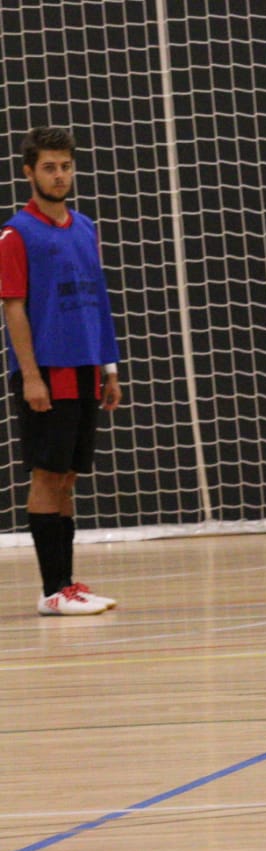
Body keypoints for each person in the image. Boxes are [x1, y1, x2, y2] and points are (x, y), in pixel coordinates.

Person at [3, 127, 122, 617]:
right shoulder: (15, 233)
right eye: (50, 167)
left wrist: (109, 368)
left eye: (66, 166)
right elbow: (13, 308)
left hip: (86, 368)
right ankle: (53, 589)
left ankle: (68, 584)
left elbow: (99, 302)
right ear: (30, 172)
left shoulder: (85, 227)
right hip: (46, 371)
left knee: (69, 476)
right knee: (47, 475)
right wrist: (30, 376)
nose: (60, 175)